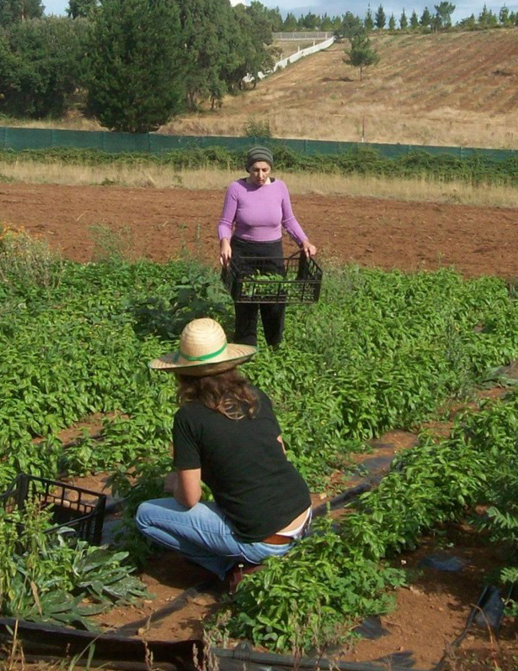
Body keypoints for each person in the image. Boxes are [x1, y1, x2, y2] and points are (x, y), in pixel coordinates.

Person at [135, 317, 312, 589]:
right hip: (302, 515)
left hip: (264, 539)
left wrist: (173, 484)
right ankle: (251, 558)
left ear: (182, 374)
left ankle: (228, 570)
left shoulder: (189, 417)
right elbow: (281, 450)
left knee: (145, 516)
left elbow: (190, 498)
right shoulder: (254, 395)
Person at [218, 146, 318, 348]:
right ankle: (245, 349)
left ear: (271, 168)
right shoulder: (236, 189)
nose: (260, 175)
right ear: (248, 168)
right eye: (255, 169)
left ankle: (275, 346)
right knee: (246, 301)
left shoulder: (280, 188)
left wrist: (304, 241)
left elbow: (289, 220)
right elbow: (225, 223)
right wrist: (225, 242)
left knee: (275, 301)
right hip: (243, 252)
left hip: (272, 252)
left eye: (265, 169)